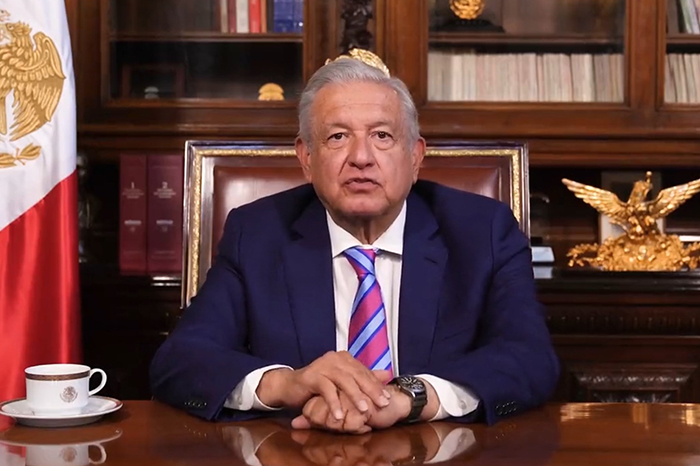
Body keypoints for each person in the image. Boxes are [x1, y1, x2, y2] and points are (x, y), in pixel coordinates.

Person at [149, 52, 559, 433]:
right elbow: (181, 360)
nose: (361, 157)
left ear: (415, 157)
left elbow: (530, 358)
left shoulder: (482, 232)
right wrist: (288, 385)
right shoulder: (256, 234)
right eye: (337, 137)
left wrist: (411, 398)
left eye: (382, 135)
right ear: (306, 158)